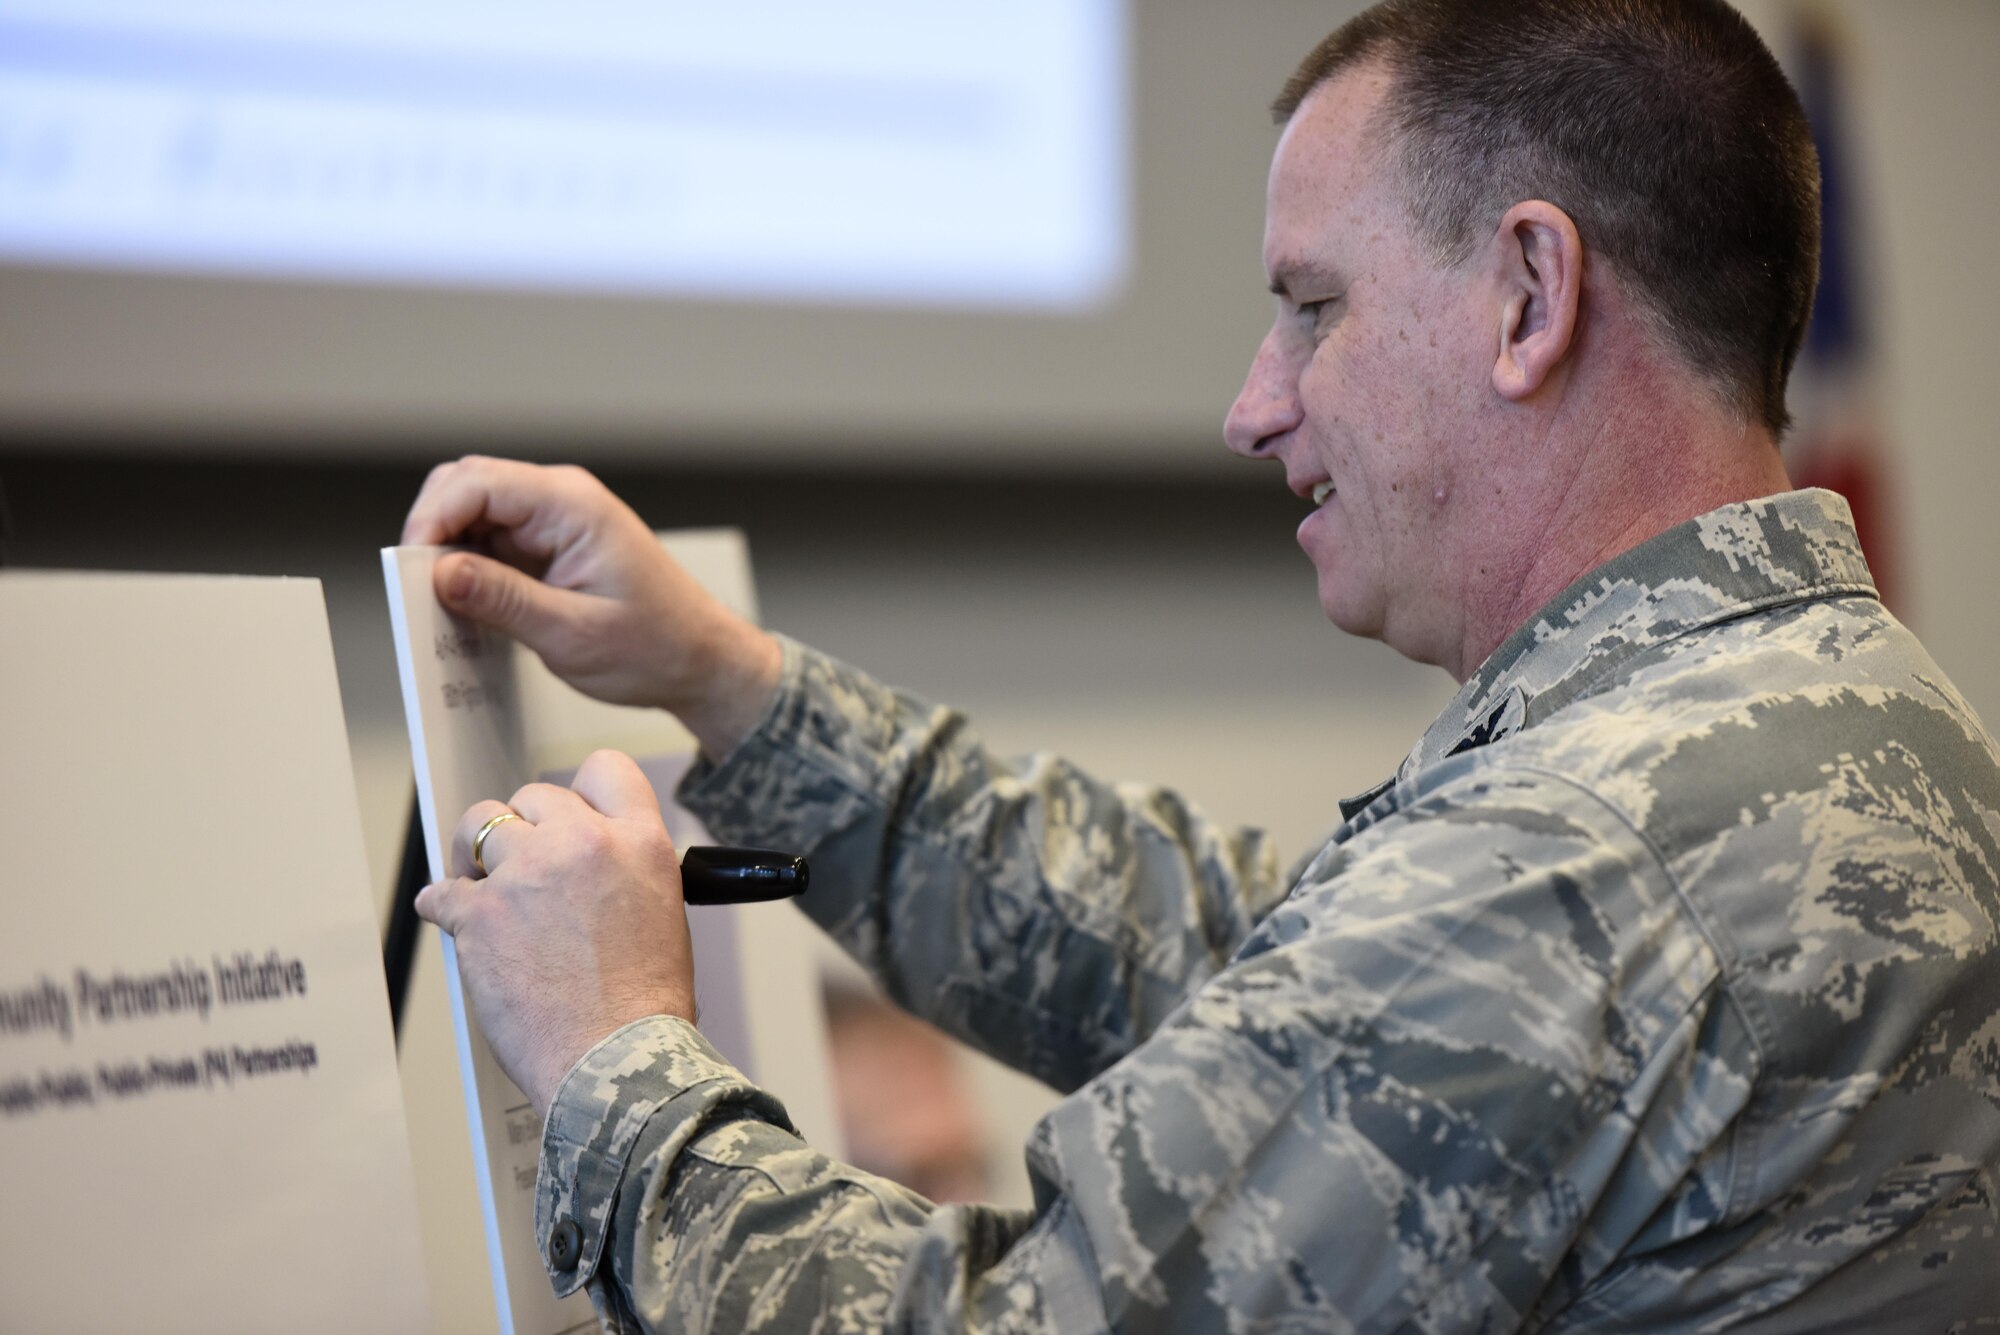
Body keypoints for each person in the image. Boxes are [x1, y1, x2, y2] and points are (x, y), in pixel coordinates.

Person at [406, 0, 2000, 1328]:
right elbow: (1254, 974)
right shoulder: (1854, 715)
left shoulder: (1583, 854)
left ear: (1531, 295)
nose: (1252, 405)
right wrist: (732, 688)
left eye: (1313, 307)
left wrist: (616, 1060)